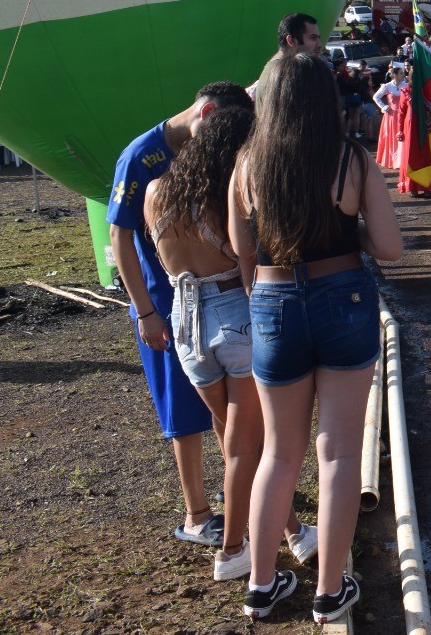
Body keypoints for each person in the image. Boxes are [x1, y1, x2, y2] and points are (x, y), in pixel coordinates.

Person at [228, 51, 402, 623]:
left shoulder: (247, 166)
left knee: (278, 453)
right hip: (344, 297)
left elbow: (242, 252)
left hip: (274, 302)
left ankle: (260, 583)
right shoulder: (350, 160)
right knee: (340, 451)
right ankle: (330, 590)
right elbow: (390, 246)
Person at [142, 106, 315, 581]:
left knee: (233, 436)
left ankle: (294, 532)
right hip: (233, 312)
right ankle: (234, 551)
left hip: (185, 319)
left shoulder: (156, 192)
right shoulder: (224, 195)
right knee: (244, 445)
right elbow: (252, 253)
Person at [107, 80, 253, 549]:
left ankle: (240, 492)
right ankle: (196, 513)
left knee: (225, 410)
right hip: (167, 303)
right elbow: (119, 238)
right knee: (183, 414)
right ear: (207, 113)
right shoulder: (140, 158)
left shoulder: (202, 152)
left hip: (204, 300)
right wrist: (145, 310)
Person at [372, 66, 406, 170]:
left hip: (403, 115)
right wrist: (384, 106)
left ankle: (402, 159)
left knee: (403, 136)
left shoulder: (405, 85)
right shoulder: (387, 86)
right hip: (391, 116)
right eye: (400, 73)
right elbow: (376, 97)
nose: (403, 75)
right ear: (395, 75)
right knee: (392, 136)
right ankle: (392, 159)